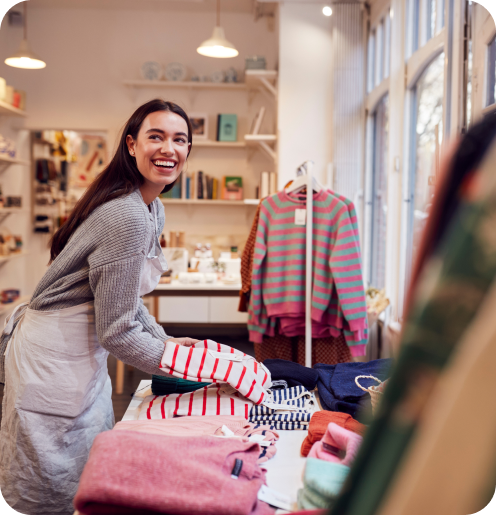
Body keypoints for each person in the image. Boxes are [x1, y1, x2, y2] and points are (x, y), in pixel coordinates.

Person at [0, 99, 199, 514]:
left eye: (180, 140)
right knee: (48, 476)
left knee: (85, 456)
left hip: (80, 351)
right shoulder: (127, 215)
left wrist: (164, 341)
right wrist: (177, 364)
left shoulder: (150, 207)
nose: (169, 149)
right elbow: (118, 331)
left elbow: (125, 299)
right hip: (53, 356)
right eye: (156, 137)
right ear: (131, 144)